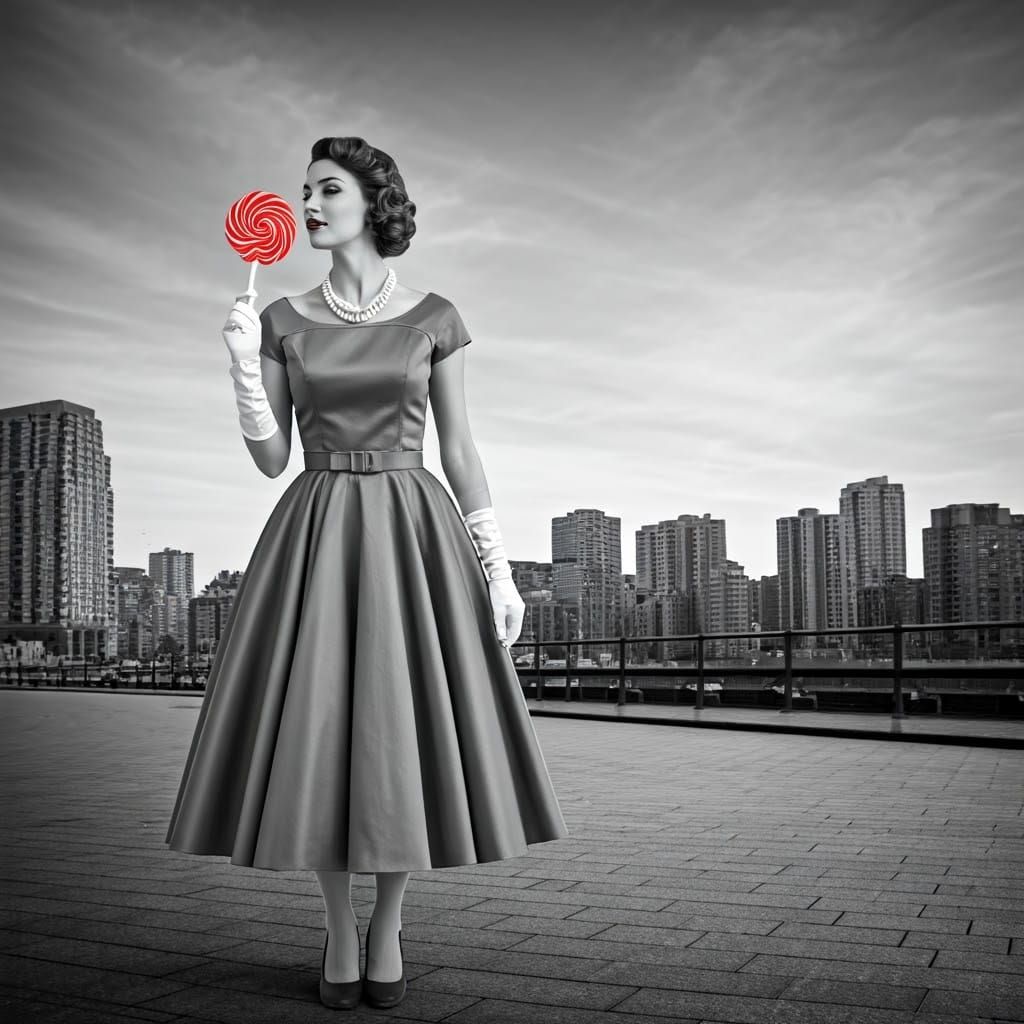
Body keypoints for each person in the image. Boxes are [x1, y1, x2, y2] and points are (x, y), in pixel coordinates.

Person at [164, 136, 569, 1011]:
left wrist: (499, 570)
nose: (308, 204)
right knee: (320, 730)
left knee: (398, 731)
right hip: (315, 529)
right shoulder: (280, 317)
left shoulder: (436, 316)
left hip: (412, 529)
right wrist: (240, 368)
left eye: (326, 189)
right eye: (302, 191)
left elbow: (460, 449)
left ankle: (386, 926)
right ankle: (338, 925)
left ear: (371, 201)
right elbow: (272, 456)